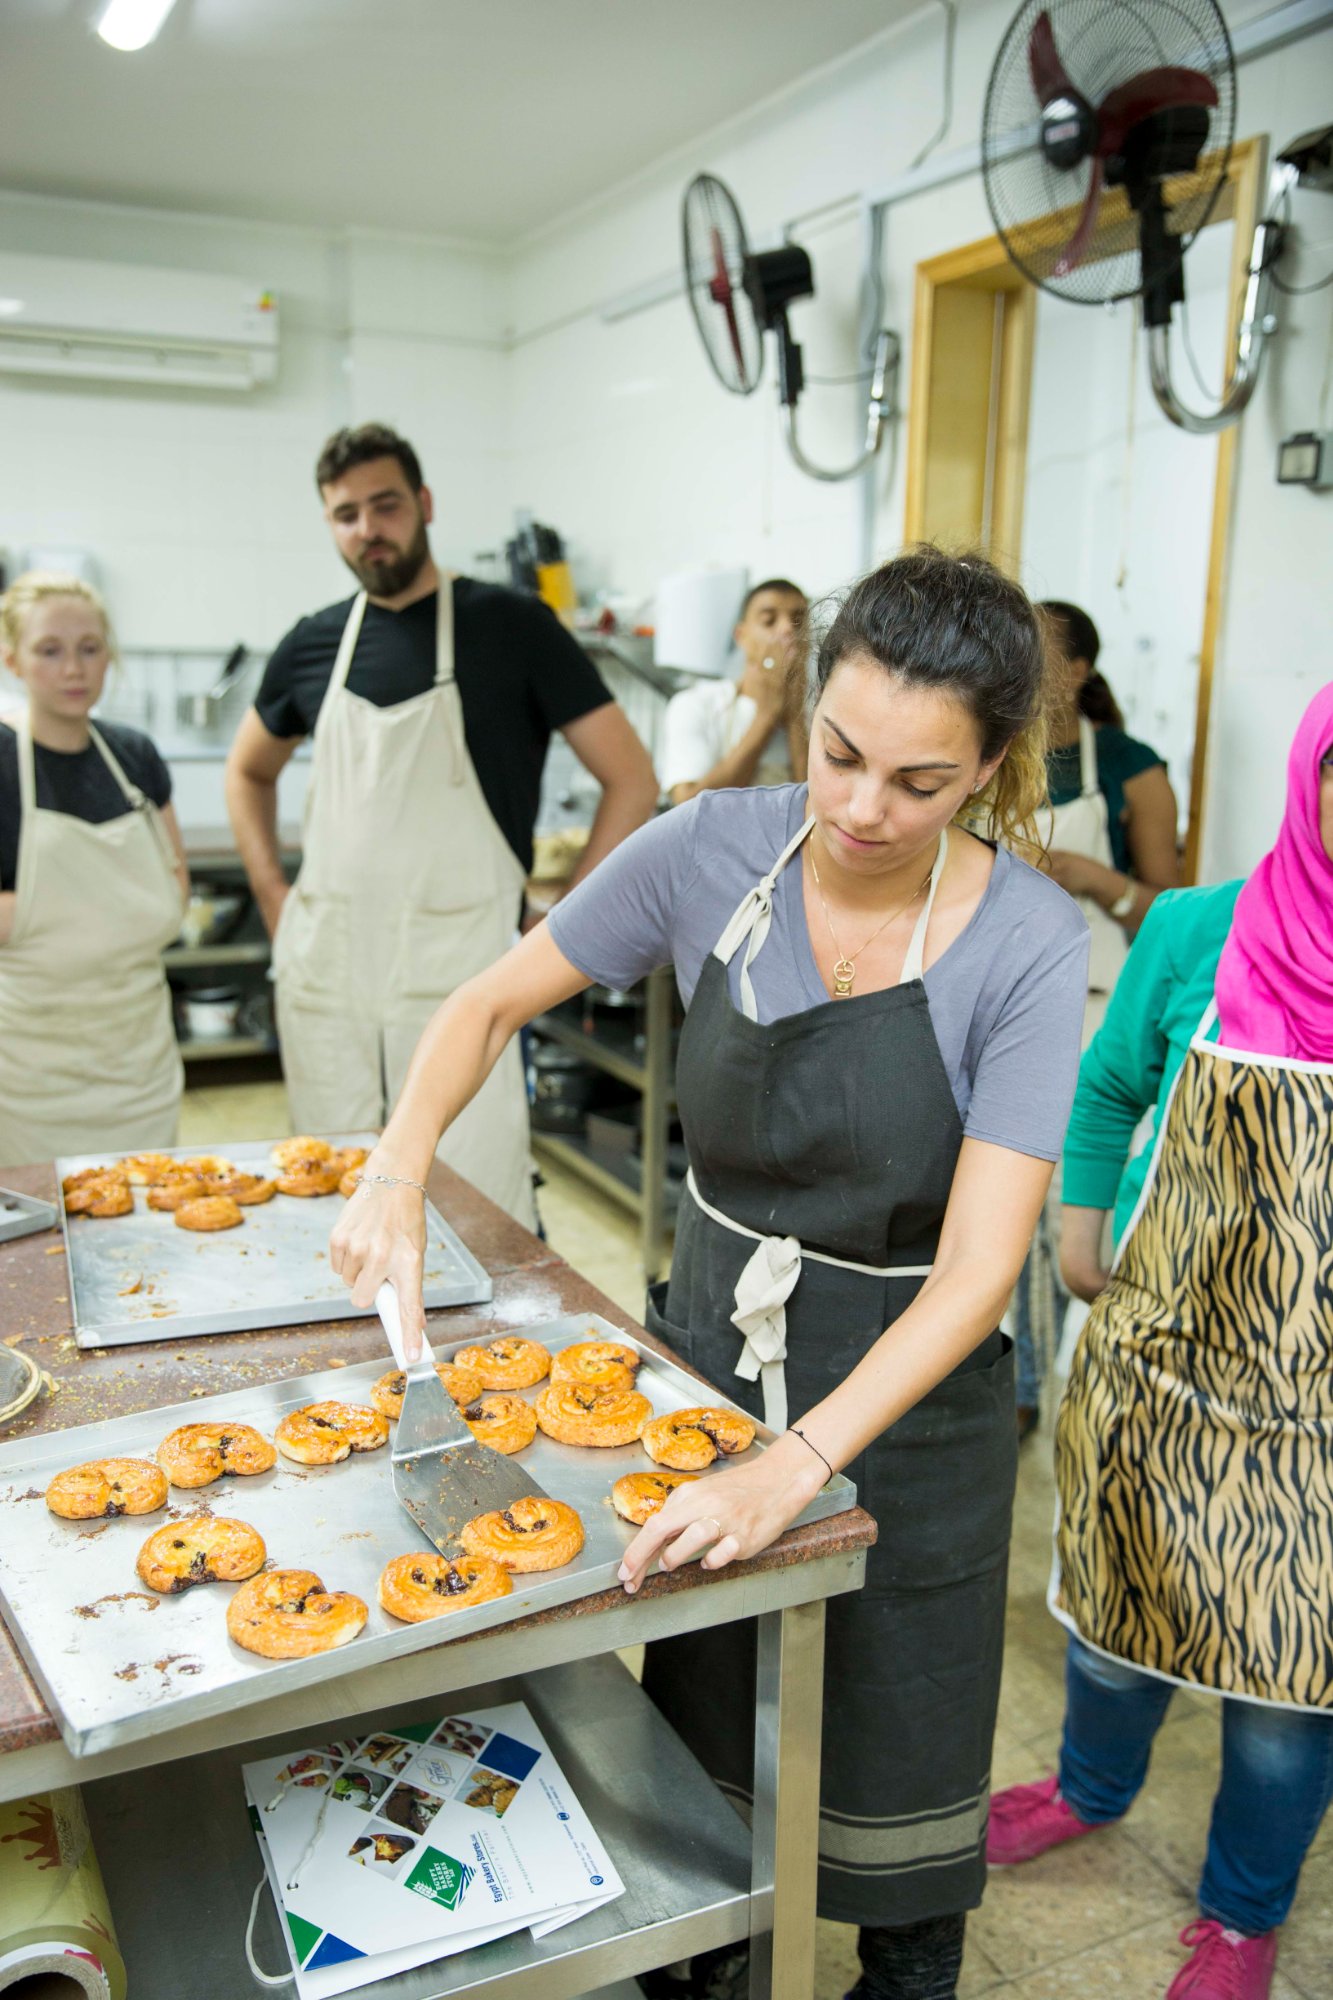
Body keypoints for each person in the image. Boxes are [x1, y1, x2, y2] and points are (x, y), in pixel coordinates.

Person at [329, 547, 1090, 2000]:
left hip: (908, 1382)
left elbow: (981, 1271)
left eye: (919, 786)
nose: (863, 810)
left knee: (898, 1712)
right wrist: (396, 1161)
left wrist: (794, 1465)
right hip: (712, 1347)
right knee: (706, 1686)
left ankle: (909, 1960)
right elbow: (490, 999)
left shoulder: (1028, 947)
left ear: (991, 770)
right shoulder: (707, 853)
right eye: (839, 755)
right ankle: (713, 1950)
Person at [988, 682, 1333, 2000]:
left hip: (1320, 1413)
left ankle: (1244, 1914)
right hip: (1161, 1367)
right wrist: (1078, 1227)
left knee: (1287, 1697)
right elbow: (1110, 1082)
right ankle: (1090, 1788)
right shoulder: (1194, 929)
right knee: (1117, 1630)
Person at [224, 423, 656, 1226]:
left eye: (384, 505)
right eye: (345, 513)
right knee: (333, 1192)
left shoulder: (512, 626)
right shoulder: (313, 643)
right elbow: (247, 770)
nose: (367, 529)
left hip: (461, 973)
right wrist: (272, 891)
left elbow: (630, 778)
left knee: (474, 1205)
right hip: (330, 974)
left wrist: (561, 925)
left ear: (422, 505)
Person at [1011, 600, 1181, 1440]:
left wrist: (1084, 872)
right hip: (994, 1001)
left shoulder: (1129, 768)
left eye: (1037, 653)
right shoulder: (988, 751)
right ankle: (998, 1371)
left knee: (1052, 1205)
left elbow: (1169, 912)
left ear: (1077, 671)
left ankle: (1035, 1382)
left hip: (1089, 1009)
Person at [0, 572, 188, 1166]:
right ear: (13, 661)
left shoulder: (135, 757)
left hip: (139, 1065)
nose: (74, 669)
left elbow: (173, 881)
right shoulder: (3, 762)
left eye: (90, 648)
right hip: (29, 1077)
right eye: (49, 651)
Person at [658, 578, 809, 804]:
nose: (787, 630)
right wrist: (766, 717)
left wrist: (795, 714)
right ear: (741, 636)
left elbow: (817, 813)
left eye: (798, 622)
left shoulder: (822, 712)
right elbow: (688, 806)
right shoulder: (696, 705)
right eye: (769, 621)